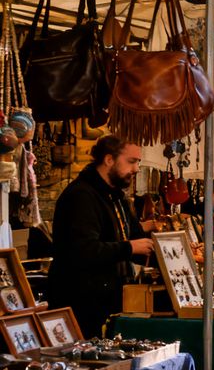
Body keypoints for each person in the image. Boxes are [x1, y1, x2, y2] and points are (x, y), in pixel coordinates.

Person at [47, 136, 158, 339]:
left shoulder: (117, 197)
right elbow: (83, 250)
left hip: (110, 303)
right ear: (109, 160)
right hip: (81, 307)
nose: (136, 169)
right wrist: (129, 248)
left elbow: (137, 239)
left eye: (138, 163)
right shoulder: (81, 196)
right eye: (131, 162)